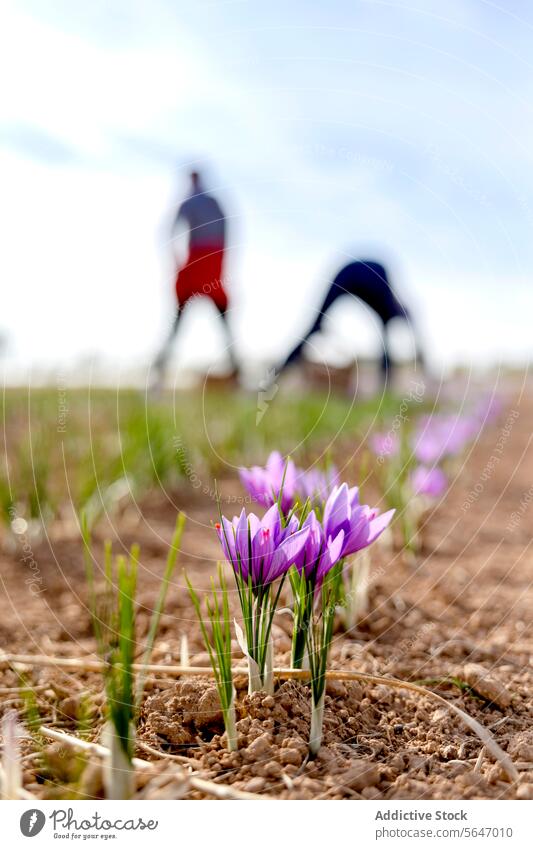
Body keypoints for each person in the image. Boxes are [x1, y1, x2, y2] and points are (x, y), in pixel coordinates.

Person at [153, 170, 238, 383]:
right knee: (216, 326)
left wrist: (175, 260)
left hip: (202, 265)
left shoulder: (192, 202)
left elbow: (169, 232)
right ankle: (158, 373)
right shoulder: (214, 202)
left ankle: (158, 375)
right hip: (207, 265)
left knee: (182, 324)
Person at [279, 259, 424, 383]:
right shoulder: (387, 302)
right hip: (351, 274)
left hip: (349, 273)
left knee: (314, 326)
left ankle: (278, 375)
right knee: (384, 340)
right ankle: (279, 373)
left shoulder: (387, 301)